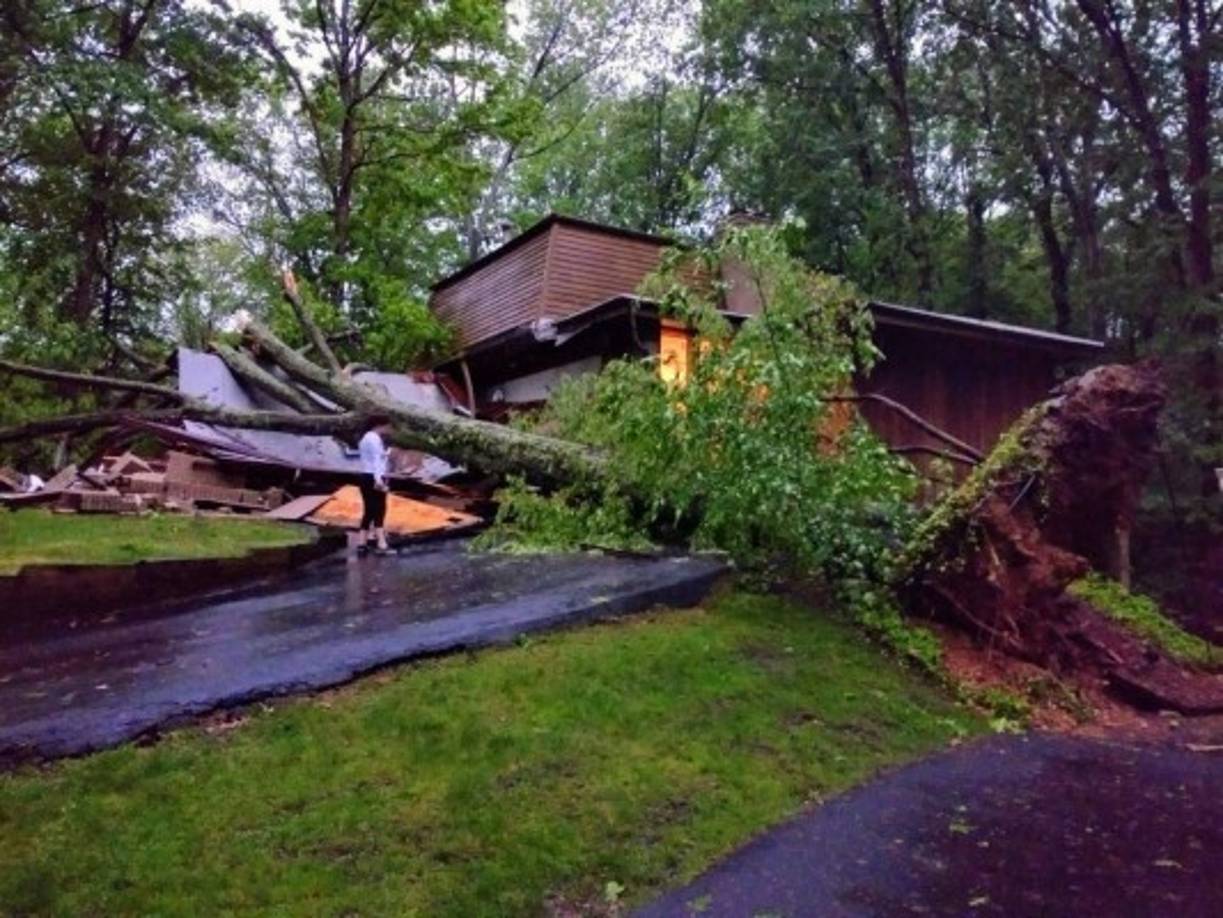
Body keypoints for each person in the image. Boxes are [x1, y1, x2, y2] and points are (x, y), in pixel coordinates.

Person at [357, 415, 394, 556]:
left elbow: (373, 458)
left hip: (365, 476)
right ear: (379, 425)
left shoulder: (365, 438)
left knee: (369, 510)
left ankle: (362, 543)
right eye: (387, 426)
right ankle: (382, 543)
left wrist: (385, 453)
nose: (389, 429)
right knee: (379, 509)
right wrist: (379, 481)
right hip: (374, 477)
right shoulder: (374, 439)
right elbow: (376, 462)